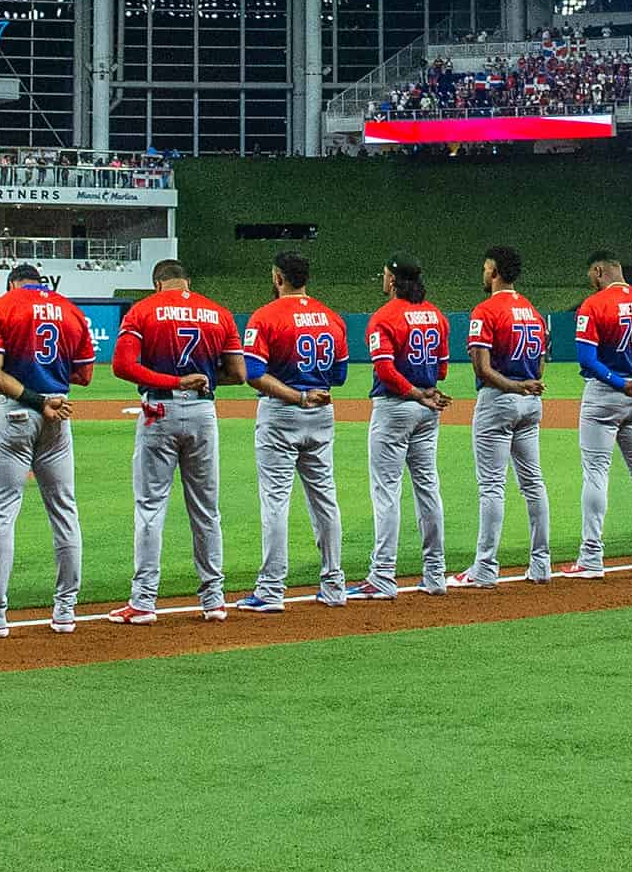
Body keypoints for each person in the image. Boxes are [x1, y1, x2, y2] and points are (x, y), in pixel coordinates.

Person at [111, 256, 237, 625]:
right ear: (187, 282)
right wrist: (200, 378)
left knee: (151, 507)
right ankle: (214, 599)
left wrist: (173, 381)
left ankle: (144, 601)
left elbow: (122, 365)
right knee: (206, 508)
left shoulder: (143, 311)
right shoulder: (218, 313)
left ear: (157, 284)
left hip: (159, 411)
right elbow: (238, 372)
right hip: (203, 413)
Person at [0, 263, 92, 636]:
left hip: (18, 412)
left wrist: (35, 395)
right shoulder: (71, 311)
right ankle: (66, 611)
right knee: (64, 511)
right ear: (44, 283)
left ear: (12, 283)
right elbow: (84, 375)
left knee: (2, 512)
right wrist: (50, 383)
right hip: (59, 410)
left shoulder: (3, 306)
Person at [240, 255, 354, 608]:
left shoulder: (265, 316)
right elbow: (339, 377)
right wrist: (309, 392)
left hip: (282, 413)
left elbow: (254, 374)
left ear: (277, 277)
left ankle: (271, 589)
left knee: (275, 500)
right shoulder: (332, 317)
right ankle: (335, 586)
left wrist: (297, 395)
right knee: (325, 500)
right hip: (321, 414)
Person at [358, 256, 455, 596]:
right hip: (428, 409)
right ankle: (435, 574)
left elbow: (385, 370)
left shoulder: (384, 317)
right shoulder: (438, 316)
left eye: (384, 275)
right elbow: (442, 371)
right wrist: (424, 392)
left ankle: (383, 576)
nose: (382, 280)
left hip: (396, 407)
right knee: (428, 488)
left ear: (394, 281)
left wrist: (413, 393)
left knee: (386, 490)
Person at [568, 247, 632, 575]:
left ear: (599, 271)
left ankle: (591, 556)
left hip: (605, 392)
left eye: (590, 275)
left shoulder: (594, 305)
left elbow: (586, 358)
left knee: (596, 472)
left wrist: (617, 381)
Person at [465, 247, 554, 585]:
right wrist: (528, 386)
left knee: (492, 486)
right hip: (531, 402)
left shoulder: (486, 310)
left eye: (485, 267)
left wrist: (515, 387)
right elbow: (542, 359)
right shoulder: (532, 310)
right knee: (533, 483)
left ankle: (485, 568)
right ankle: (541, 565)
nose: (483, 273)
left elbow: (482, 368)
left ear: (495, 271)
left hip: (499, 400)